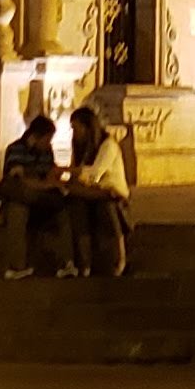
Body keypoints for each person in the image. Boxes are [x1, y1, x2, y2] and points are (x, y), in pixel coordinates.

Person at [0, 103, 68, 278]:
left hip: (40, 201)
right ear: (35, 137)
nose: (49, 143)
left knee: (64, 210)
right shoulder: (15, 150)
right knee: (17, 211)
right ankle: (16, 266)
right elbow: (21, 182)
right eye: (47, 139)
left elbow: (49, 175)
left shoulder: (47, 152)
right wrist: (47, 185)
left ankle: (67, 262)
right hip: (20, 199)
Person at [65, 108, 132, 281]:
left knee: (107, 208)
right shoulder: (81, 148)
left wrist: (67, 172)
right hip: (89, 192)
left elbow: (95, 174)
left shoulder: (108, 145)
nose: (74, 132)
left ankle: (119, 258)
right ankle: (84, 262)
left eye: (76, 128)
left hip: (110, 192)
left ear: (88, 128)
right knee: (76, 208)